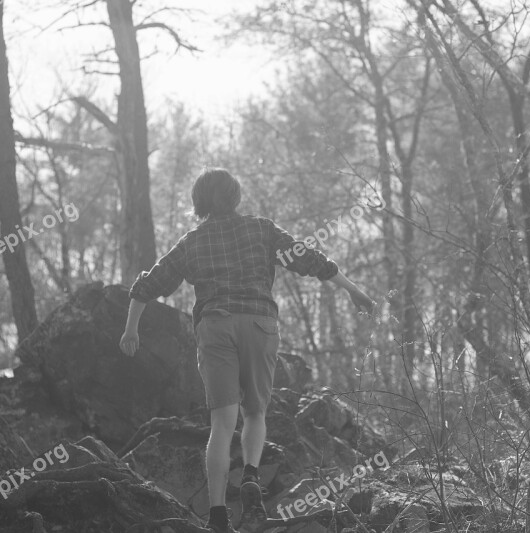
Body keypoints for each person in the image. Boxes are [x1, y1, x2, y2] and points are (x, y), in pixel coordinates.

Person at [119, 168, 374, 533]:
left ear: (198, 202)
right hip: (258, 323)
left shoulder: (192, 241)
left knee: (221, 425)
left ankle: (218, 516)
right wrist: (353, 289)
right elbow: (309, 259)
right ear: (235, 197)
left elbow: (149, 284)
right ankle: (251, 474)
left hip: (216, 324)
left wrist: (131, 330)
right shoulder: (261, 228)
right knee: (255, 413)